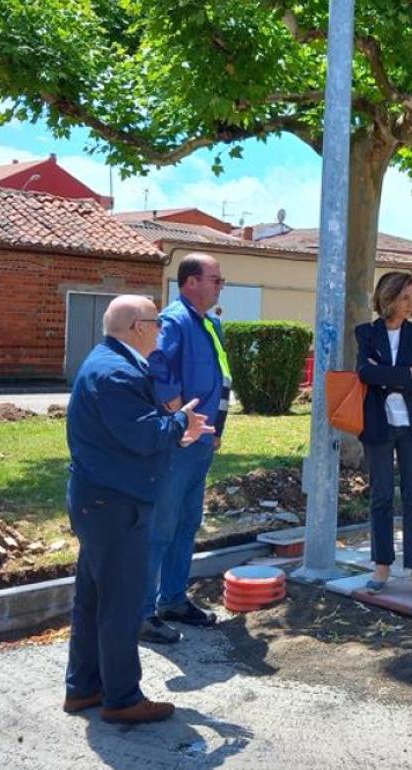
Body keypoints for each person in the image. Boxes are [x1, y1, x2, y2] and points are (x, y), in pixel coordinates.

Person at [63, 295, 213, 724]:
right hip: (115, 504)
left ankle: (84, 687)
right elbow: (144, 435)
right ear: (136, 327)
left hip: (102, 500)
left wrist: (175, 431)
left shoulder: (112, 363)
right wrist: (181, 424)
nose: (163, 331)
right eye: (157, 323)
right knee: (122, 605)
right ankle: (122, 698)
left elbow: (131, 433)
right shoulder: (115, 373)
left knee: (94, 601)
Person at [142, 253, 232, 644]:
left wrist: (217, 428)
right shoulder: (175, 320)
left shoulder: (210, 324)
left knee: (187, 523)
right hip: (179, 441)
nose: (220, 285)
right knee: (162, 526)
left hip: (203, 440)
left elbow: (222, 378)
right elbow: (157, 365)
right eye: (215, 279)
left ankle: (173, 599)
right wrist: (181, 416)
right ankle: (142, 612)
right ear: (190, 282)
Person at [355, 272, 412, 600]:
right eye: (405, 297)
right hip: (378, 425)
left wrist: (387, 376)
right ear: (388, 298)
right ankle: (382, 565)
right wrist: (406, 373)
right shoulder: (367, 333)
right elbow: (365, 372)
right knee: (381, 496)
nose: (411, 304)